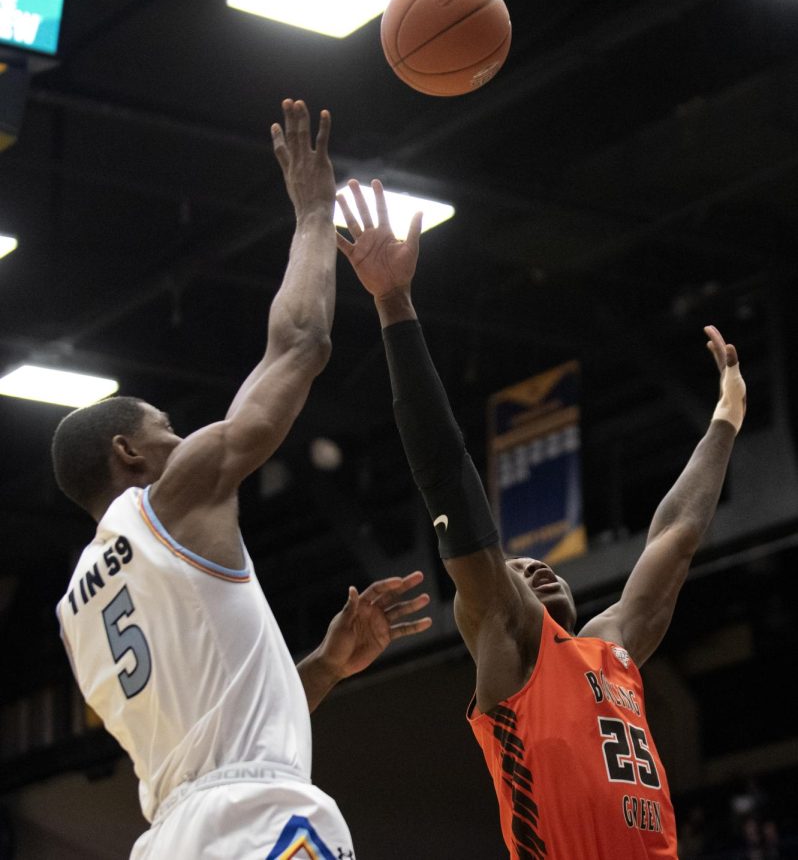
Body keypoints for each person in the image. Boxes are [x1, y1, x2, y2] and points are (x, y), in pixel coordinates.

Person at [52, 107, 431, 860]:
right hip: (257, 818)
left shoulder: (75, 609)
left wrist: (320, 669)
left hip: (171, 839)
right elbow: (301, 343)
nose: (180, 435)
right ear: (129, 451)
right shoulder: (173, 500)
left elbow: (210, 733)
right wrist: (314, 213)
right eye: (165, 425)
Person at [336, 178, 747, 860]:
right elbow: (447, 474)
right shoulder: (509, 635)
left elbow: (675, 539)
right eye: (515, 567)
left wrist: (726, 420)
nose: (530, 566)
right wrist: (394, 303)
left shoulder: (611, 648)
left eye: (535, 562)